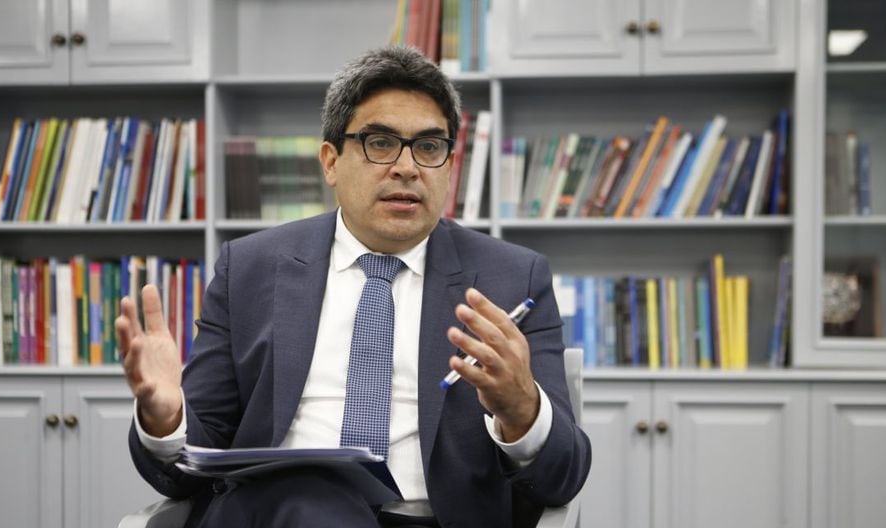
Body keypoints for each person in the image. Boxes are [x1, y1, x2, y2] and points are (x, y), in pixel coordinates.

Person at [117, 45, 591, 528]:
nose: (407, 167)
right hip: (278, 515)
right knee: (312, 502)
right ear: (330, 161)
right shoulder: (250, 269)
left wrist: (523, 411)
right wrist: (166, 419)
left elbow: (563, 479)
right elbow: (187, 469)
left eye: (429, 147)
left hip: (431, 519)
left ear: (450, 165)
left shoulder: (511, 279)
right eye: (380, 143)